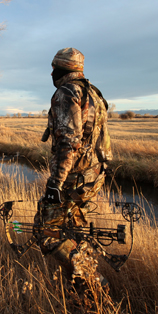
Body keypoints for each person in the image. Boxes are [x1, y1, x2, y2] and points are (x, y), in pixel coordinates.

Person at [36, 47, 112, 289]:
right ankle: (81, 287)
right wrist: (101, 169)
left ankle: (93, 282)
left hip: (74, 177)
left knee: (46, 231)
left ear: (62, 69)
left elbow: (69, 142)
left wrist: (55, 184)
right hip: (93, 174)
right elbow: (101, 140)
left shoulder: (66, 92)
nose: (51, 73)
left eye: (54, 68)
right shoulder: (93, 93)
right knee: (75, 229)